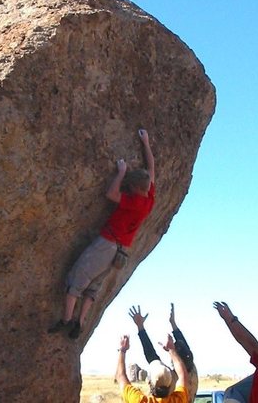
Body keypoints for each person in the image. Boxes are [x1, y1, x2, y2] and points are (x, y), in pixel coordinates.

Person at [48, 129, 155, 340]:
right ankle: (80, 322)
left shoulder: (133, 202)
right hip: (122, 250)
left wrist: (121, 172)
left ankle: (66, 320)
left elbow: (111, 194)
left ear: (134, 188)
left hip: (107, 244)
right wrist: (146, 142)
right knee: (95, 284)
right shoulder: (150, 199)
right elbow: (151, 167)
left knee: (78, 277)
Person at [129, 304, 198, 401]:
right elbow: (185, 351)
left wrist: (140, 327)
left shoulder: (173, 380)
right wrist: (173, 324)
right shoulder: (192, 373)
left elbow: (152, 358)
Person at [116, 333, 189, 402]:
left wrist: (122, 350)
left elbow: (120, 376)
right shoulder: (178, 400)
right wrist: (171, 350)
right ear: (170, 384)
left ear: (148, 382)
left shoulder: (140, 401)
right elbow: (183, 375)